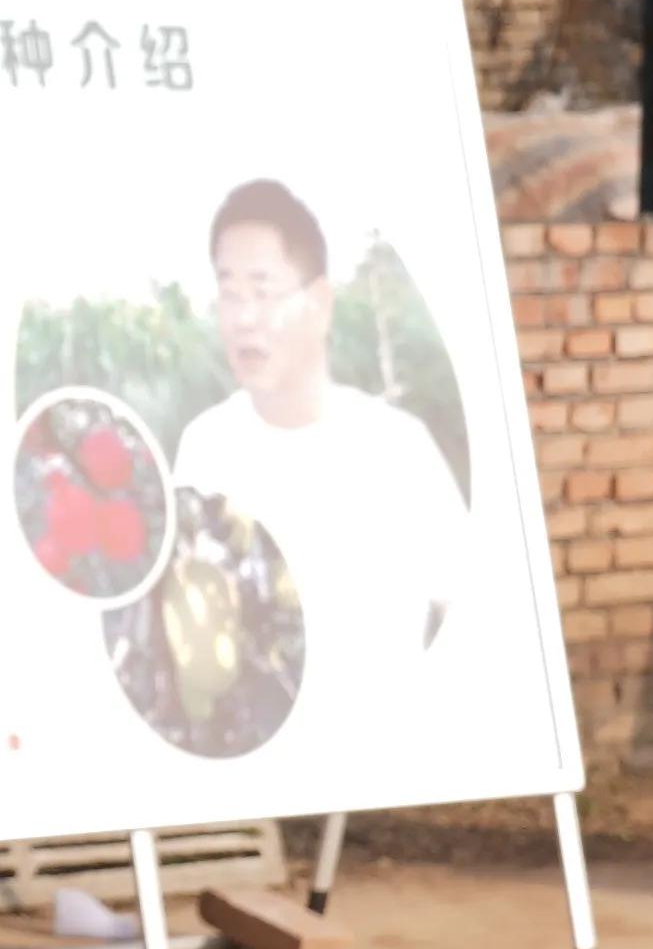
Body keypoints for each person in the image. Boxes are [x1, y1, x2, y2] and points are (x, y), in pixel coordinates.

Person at [168, 179, 479, 752]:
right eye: (230, 294)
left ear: (320, 304)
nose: (244, 318)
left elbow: (470, 611)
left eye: (263, 290)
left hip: (384, 752)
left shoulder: (397, 449)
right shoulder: (206, 445)